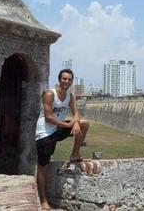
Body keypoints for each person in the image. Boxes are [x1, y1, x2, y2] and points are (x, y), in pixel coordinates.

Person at [35, 69, 89, 210]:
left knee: (84, 124)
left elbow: (76, 112)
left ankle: (75, 154)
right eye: (64, 79)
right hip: (45, 133)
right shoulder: (49, 94)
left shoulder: (69, 96)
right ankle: (43, 200)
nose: (66, 81)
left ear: (71, 81)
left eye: (69, 79)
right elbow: (49, 117)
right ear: (59, 80)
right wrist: (68, 124)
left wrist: (75, 122)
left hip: (58, 129)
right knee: (43, 167)